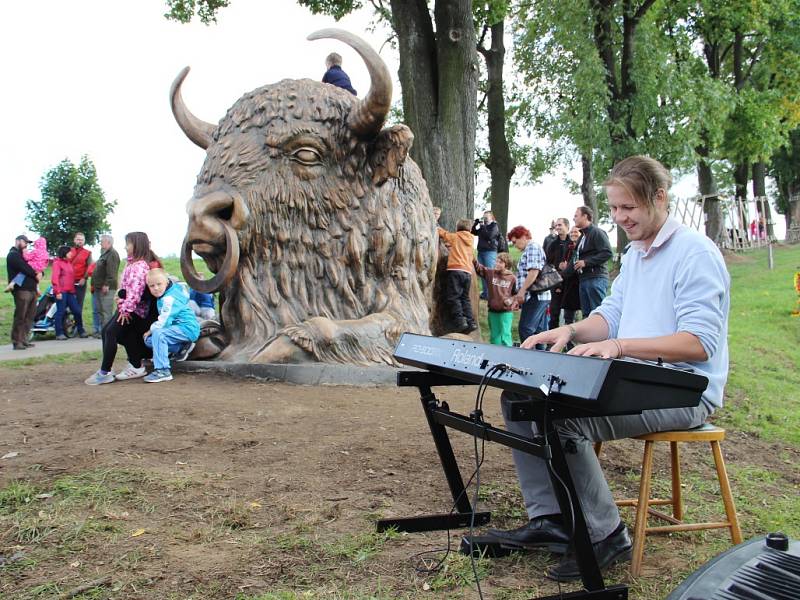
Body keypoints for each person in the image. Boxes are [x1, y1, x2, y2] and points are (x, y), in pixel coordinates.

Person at [487, 156, 730, 582]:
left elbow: (698, 344)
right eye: (614, 209)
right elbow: (611, 314)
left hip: (687, 391)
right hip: (638, 377)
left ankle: (607, 535)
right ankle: (551, 520)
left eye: (628, 208)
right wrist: (569, 331)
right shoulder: (636, 254)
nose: (619, 218)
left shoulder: (695, 254)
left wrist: (617, 346)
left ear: (658, 198)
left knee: (561, 421)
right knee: (520, 398)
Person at [84, 232, 159, 385]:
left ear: (137, 245)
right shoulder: (131, 264)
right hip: (127, 309)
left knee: (111, 332)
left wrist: (125, 310)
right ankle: (136, 365)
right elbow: (124, 289)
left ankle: (105, 371)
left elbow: (135, 293)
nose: (125, 247)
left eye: (128, 244)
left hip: (134, 311)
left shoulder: (139, 267)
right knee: (112, 332)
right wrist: (120, 300)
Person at [141, 269, 201, 383]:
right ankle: (181, 349)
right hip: (177, 329)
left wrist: (151, 329)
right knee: (149, 340)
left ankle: (163, 371)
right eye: (152, 286)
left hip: (187, 328)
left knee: (158, 334)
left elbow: (164, 322)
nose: (156, 288)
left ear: (166, 282)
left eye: (159, 284)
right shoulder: (167, 293)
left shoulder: (169, 298)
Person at [508, 225, 550, 346]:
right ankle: (540, 359)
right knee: (538, 333)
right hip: (537, 296)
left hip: (536, 296)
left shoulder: (532, 247)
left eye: (515, 241)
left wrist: (521, 292)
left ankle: (529, 359)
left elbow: (533, 272)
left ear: (523, 236)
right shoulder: (530, 249)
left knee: (526, 329)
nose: (514, 245)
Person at [437, 217, 478, 333]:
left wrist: (437, 228)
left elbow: (444, 234)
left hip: (456, 270)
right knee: (465, 298)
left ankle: (460, 321)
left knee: (453, 296)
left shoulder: (456, 237)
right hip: (467, 272)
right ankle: (471, 322)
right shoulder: (470, 240)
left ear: (458, 228)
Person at [573, 206, 612, 317]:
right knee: (587, 315)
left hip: (596, 278)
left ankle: (604, 335)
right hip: (584, 279)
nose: (573, 218)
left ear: (585, 216)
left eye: (576, 215)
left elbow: (607, 252)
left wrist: (585, 262)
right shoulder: (582, 237)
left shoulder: (597, 232)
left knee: (598, 314)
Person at [473, 252, 517, 346]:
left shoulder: (512, 278)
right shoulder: (490, 273)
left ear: (507, 265)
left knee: (505, 335)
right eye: (496, 261)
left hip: (506, 312)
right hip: (492, 311)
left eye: (500, 262)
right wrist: (473, 259)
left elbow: (516, 294)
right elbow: (479, 268)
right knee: (494, 336)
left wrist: (511, 300)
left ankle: (508, 357)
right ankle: (495, 356)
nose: (497, 264)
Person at [6, 235, 42, 350]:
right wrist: (36, 273)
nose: (26, 244)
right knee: (20, 316)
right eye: (24, 242)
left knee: (30, 316)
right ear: (17, 241)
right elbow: (25, 268)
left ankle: (24, 339)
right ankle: (17, 341)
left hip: (32, 289)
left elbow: (37, 266)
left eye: (27, 242)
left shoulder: (26, 256)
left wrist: (41, 272)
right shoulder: (13, 255)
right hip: (22, 289)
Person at [546, 219, 580, 330]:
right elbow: (548, 263)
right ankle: (551, 342)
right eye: (556, 225)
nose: (557, 227)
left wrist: (568, 266)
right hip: (556, 281)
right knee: (554, 312)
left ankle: (569, 343)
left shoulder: (574, 243)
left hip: (571, 282)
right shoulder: (552, 244)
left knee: (569, 314)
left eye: (560, 225)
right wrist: (557, 267)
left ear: (567, 226)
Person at [51, 246, 88, 340]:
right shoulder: (57, 263)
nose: (71, 254)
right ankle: (59, 333)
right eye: (69, 252)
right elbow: (55, 278)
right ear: (64, 253)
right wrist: (57, 291)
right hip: (61, 291)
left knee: (77, 310)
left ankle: (81, 330)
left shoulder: (69, 264)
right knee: (60, 311)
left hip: (70, 292)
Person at [91, 234, 121, 337]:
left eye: (102, 241)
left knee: (106, 311)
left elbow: (112, 272)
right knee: (100, 311)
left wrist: (107, 284)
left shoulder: (112, 254)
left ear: (108, 242)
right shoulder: (104, 253)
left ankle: (108, 334)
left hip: (107, 288)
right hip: (99, 287)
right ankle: (102, 332)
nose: (100, 243)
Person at [471, 211, 503, 300]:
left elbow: (489, 236)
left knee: (491, 273)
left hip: (490, 252)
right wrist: (475, 224)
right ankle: (486, 294)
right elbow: (473, 232)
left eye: (486, 217)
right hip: (481, 252)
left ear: (491, 218)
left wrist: (482, 226)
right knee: (482, 273)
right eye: (484, 217)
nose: (484, 219)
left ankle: (492, 294)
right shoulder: (483, 226)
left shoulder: (494, 226)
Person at [70, 232, 92, 314]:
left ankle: (77, 324)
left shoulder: (88, 253)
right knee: (66, 302)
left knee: (79, 302)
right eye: (78, 239)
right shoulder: (69, 251)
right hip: (68, 281)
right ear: (74, 240)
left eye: (82, 240)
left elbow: (89, 267)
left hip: (80, 281)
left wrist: (84, 278)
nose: (80, 241)